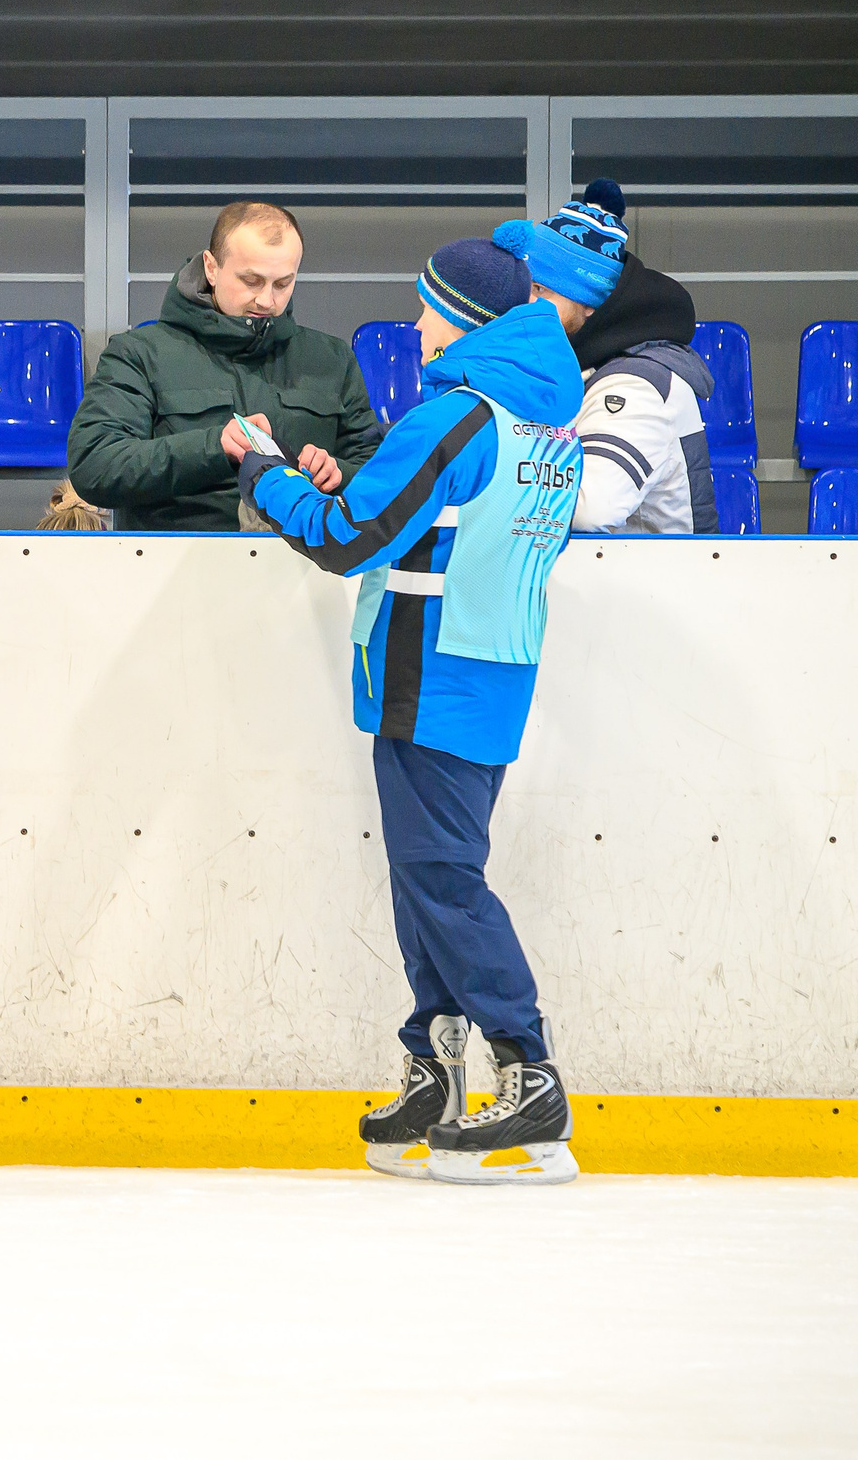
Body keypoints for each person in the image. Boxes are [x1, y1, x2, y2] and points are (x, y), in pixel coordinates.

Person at [225, 237, 584, 1187]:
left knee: (444, 883)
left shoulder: (453, 417)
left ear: (465, 318)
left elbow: (352, 539)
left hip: (432, 681)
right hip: (489, 673)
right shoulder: (544, 427)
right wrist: (345, 483)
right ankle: (434, 1061)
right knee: (429, 878)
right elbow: (436, 528)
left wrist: (266, 477)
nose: (416, 325)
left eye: (428, 308)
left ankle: (526, 1067)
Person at [69, 201, 383, 529]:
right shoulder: (139, 355)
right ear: (211, 267)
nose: (267, 300)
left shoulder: (332, 359)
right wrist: (214, 448)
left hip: (305, 565)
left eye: (282, 284)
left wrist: (337, 474)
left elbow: (382, 475)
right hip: (177, 567)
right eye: (251, 280)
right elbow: (95, 466)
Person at [498, 180, 717, 534]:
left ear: (589, 303)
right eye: (525, 289)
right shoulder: (586, 367)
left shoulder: (636, 384)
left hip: (656, 585)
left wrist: (489, 476)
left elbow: (592, 509)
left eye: (541, 289)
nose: (526, 305)